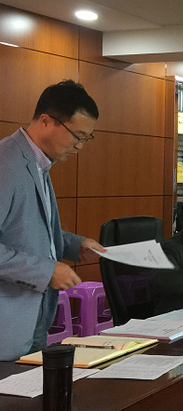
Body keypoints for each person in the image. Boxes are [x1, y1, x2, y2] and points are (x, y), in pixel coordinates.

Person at [0, 80, 106, 361]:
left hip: (33, 314)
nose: (80, 146)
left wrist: (74, 244)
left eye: (87, 138)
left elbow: (24, 230)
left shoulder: (38, 163)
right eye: (77, 136)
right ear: (46, 121)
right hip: (8, 319)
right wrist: (46, 271)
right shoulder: (5, 163)